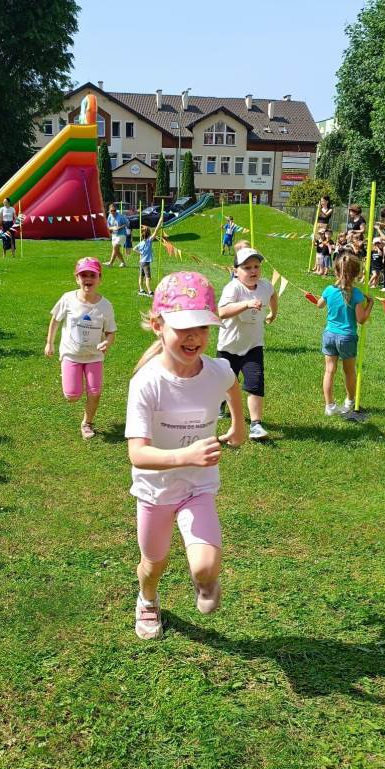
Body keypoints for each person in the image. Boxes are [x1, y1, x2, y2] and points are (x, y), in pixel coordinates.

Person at [125, 271, 246, 641]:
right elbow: (137, 454)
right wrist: (187, 455)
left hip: (198, 487)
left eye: (203, 328)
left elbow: (232, 386)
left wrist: (238, 425)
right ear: (158, 326)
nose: (194, 337)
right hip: (155, 491)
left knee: (207, 566)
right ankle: (147, 598)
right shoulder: (146, 383)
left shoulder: (217, 370)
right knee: (154, 563)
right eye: (183, 328)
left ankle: (205, 582)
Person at [44, 257, 116, 439]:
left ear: (100, 279)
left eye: (92, 275)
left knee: (95, 392)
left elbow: (111, 332)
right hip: (71, 354)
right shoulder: (68, 299)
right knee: (72, 396)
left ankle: (87, 423)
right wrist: (49, 342)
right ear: (77, 278)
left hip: (94, 356)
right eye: (83, 275)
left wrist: (107, 342)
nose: (88, 279)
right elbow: (55, 320)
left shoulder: (106, 306)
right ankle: (71, 377)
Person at [217, 246, 278, 441]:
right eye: (247, 267)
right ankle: (220, 405)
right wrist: (246, 304)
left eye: (256, 266)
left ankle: (255, 425)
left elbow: (273, 294)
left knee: (255, 382)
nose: (253, 271)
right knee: (226, 383)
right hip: (229, 347)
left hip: (253, 345)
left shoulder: (265, 286)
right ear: (235, 271)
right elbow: (221, 312)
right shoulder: (233, 288)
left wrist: (273, 312)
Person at [317, 252, 374, 416]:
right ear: (357, 274)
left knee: (329, 371)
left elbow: (319, 305)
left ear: (336, 271)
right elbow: (361, 319)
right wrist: (370, 304)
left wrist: (327, 294)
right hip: (347, 337)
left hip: (329, 335)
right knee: (349, 371)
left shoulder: (329, 290)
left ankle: (329, 406)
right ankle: (349, 402)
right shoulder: (357, 294)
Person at [134, 211, 163, 297]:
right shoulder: (149, 241)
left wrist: (140, 253)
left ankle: (141, 289)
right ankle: (149, 291)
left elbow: (134, 249)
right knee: (148, 277)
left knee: (141, 276)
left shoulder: (141, 242)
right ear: (149, 234)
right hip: (146, 263)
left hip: (141, 262)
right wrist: (160, 221)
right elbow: (156, 230)